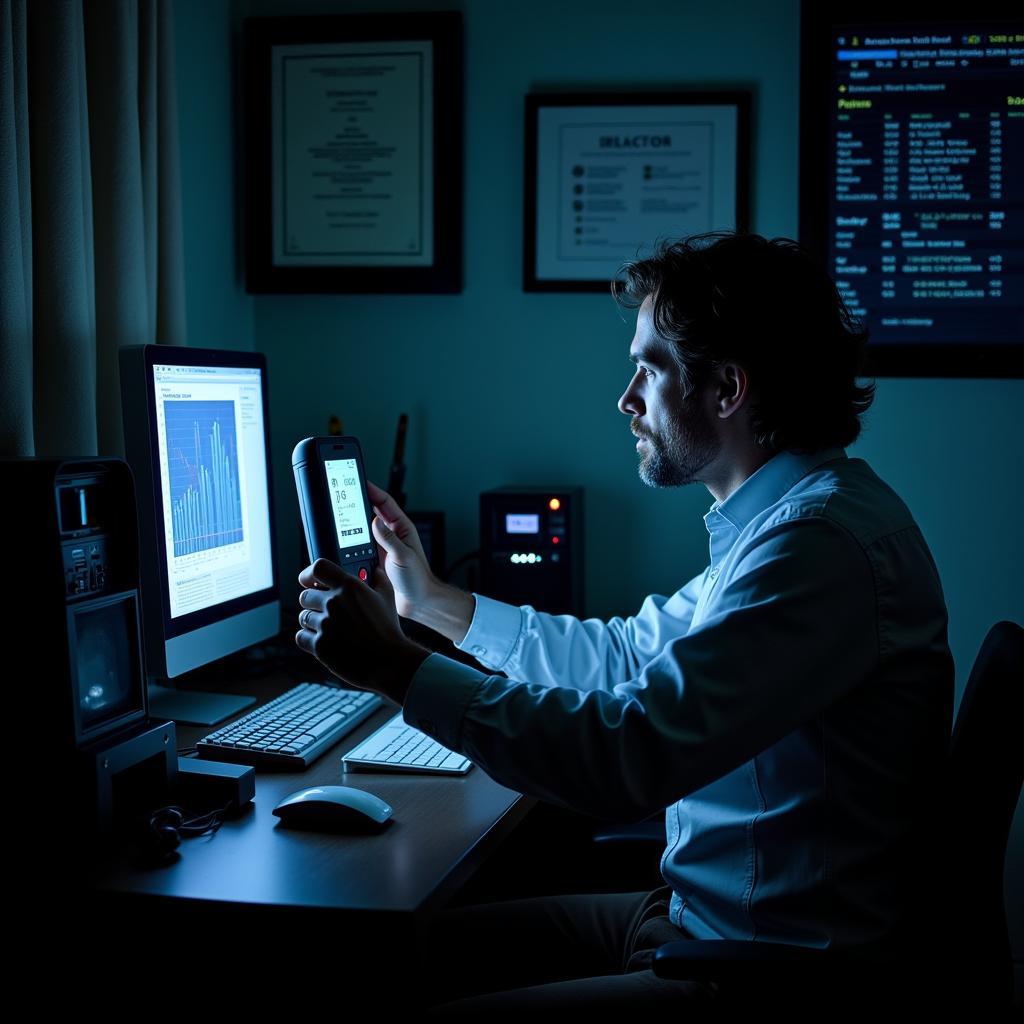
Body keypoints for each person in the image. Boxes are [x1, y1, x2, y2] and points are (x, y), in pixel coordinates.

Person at [294, 231, 954, 1012]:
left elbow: (624, 761)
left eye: (650, 368)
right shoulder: (786, 523)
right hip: (699, 923)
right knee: (377, 959)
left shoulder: (818, 549)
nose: (627, 398)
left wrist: (393, 667)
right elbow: (624, 659)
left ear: (728, 389)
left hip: (764, 977)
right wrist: (432, 602)